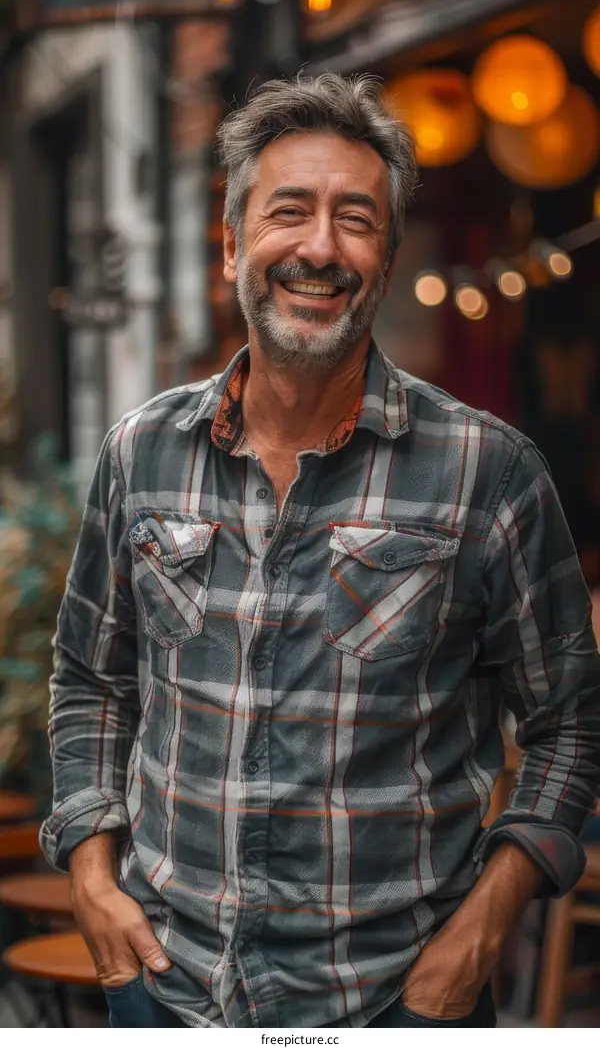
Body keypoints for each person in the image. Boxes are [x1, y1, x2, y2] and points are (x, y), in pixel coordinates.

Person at [41, 73, 600, 1030]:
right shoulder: (141, 453)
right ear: (231, 247)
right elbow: (92, 679)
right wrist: (93, 874)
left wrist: (484, 927)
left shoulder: (490, 472)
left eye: (357, 220)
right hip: (168, 990)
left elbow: (570, 727)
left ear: (385, 263)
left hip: (397, 1000)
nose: (320, 247)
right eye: (288, 211)